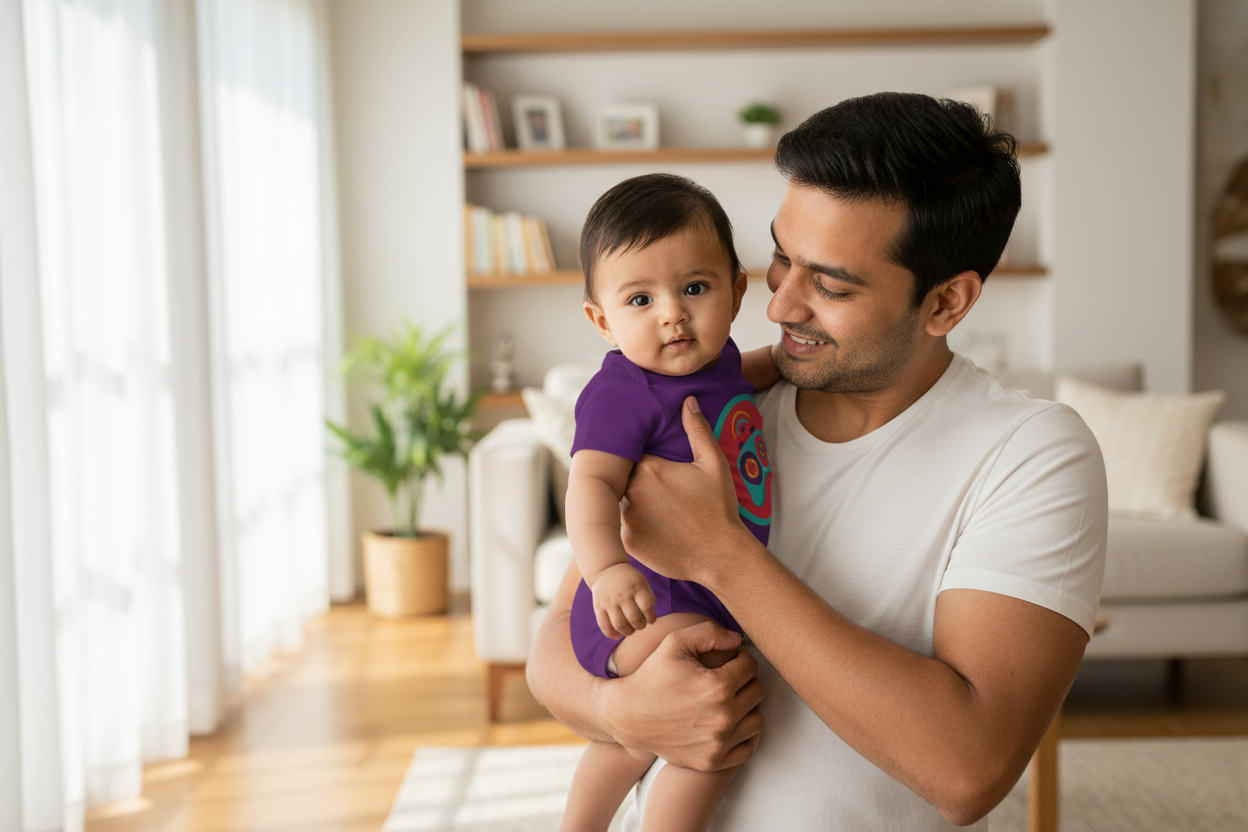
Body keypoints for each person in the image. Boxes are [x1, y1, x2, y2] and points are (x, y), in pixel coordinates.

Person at [528, 92, 1108, 831]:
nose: (779, 305)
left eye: (830, 284)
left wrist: (722, 557)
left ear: (947, 304)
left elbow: (970, 770)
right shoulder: (707, 404)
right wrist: (622, 711)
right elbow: (555, 645)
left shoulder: (1029, 455)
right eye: (780, 259)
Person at [559, 173, 779, 832]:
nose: (672, 314)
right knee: (719, 710)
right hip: (642, 602)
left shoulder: (720, 360)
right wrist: (606, 570)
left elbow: (747, 377)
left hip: (703, 593)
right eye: (639, 298)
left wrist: (796, 363)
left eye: (694, 288)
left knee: (633, 739)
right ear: (602, 320)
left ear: (737, 292)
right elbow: (590, 485)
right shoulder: (623, 392)